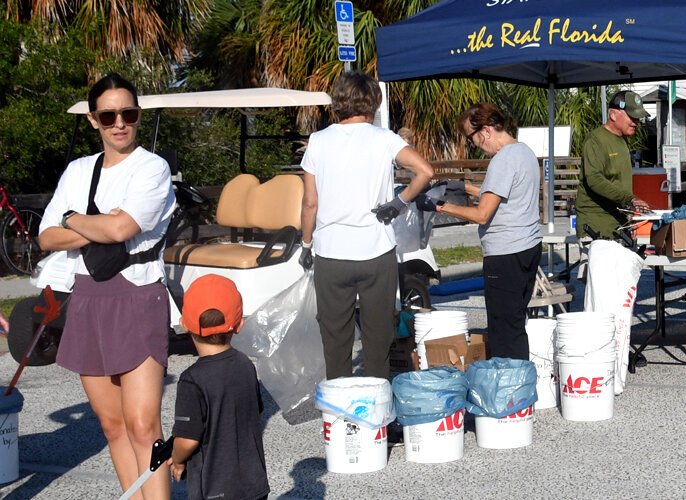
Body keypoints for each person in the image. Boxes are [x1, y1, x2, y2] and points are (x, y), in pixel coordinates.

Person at [37, 73, 177, 499]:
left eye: (128, 113)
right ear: (94, 120)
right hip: (88, 296)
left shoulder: (152, 167)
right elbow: (46, 237)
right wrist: (90, 225)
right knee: (113, 425)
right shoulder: (78, 170)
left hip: (138, 294)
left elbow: (122, 228)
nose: (120, 123)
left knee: (143, 424)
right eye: (108, 115)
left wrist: (72, 220)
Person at [300, 71, 435, 380]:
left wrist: (306, 244)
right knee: (378, 341)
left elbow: (310, 203)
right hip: (376, 253)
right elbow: (425, 171)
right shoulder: (385, 139)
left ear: (339, 102)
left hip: (332, 253)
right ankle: (378, 417)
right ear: (373, 102)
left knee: (336, 342)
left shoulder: (318, 142)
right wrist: (399, 203)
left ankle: (341, 414)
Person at [437, 103, 544, 359]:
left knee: (504, 330)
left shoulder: (502, 160)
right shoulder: (523, 152)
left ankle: (509, 390)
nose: (475, 145)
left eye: (471, 138)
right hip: (527, 247)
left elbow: (482, 213)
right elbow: (503, 193)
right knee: (515, 321)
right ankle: (518, 387)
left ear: (485, 130)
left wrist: (442, 207)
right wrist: (465, 187)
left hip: (505, 254)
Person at [169, 275, 268, 500]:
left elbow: (187, 440)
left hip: (214, 488)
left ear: (184, 323)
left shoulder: (191, 380)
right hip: (254, 484)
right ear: (239, 324)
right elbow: (253, 413)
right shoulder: (246, 365)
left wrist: (177, 458)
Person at [577, 90, 653, 239]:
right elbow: (594, 179)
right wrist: (629, 199)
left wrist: (629, 211)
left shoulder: (622, 140)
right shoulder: (595, 140)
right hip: (596, 226)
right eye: (632, 117)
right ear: (613, 114)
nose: (636, 122)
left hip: (619, 225)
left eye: (637, 118)